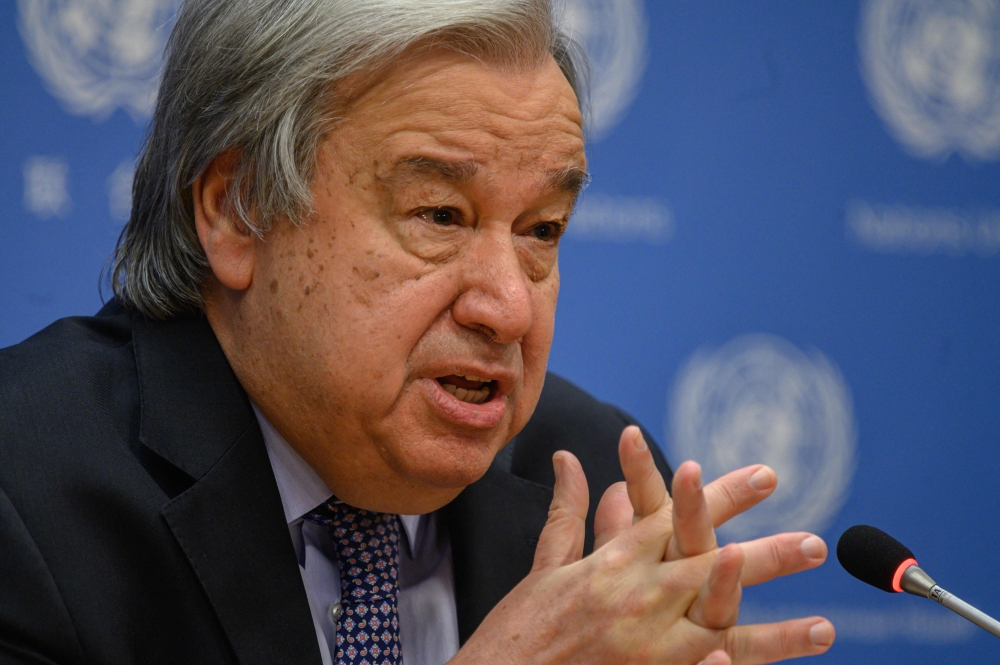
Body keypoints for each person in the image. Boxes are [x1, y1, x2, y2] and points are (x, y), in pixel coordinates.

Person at [0, 1, 835, 664]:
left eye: (542, 230)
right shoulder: (25, 497)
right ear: (237, 210)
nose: (507, 308)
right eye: (440, 215)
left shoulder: (596, 499)